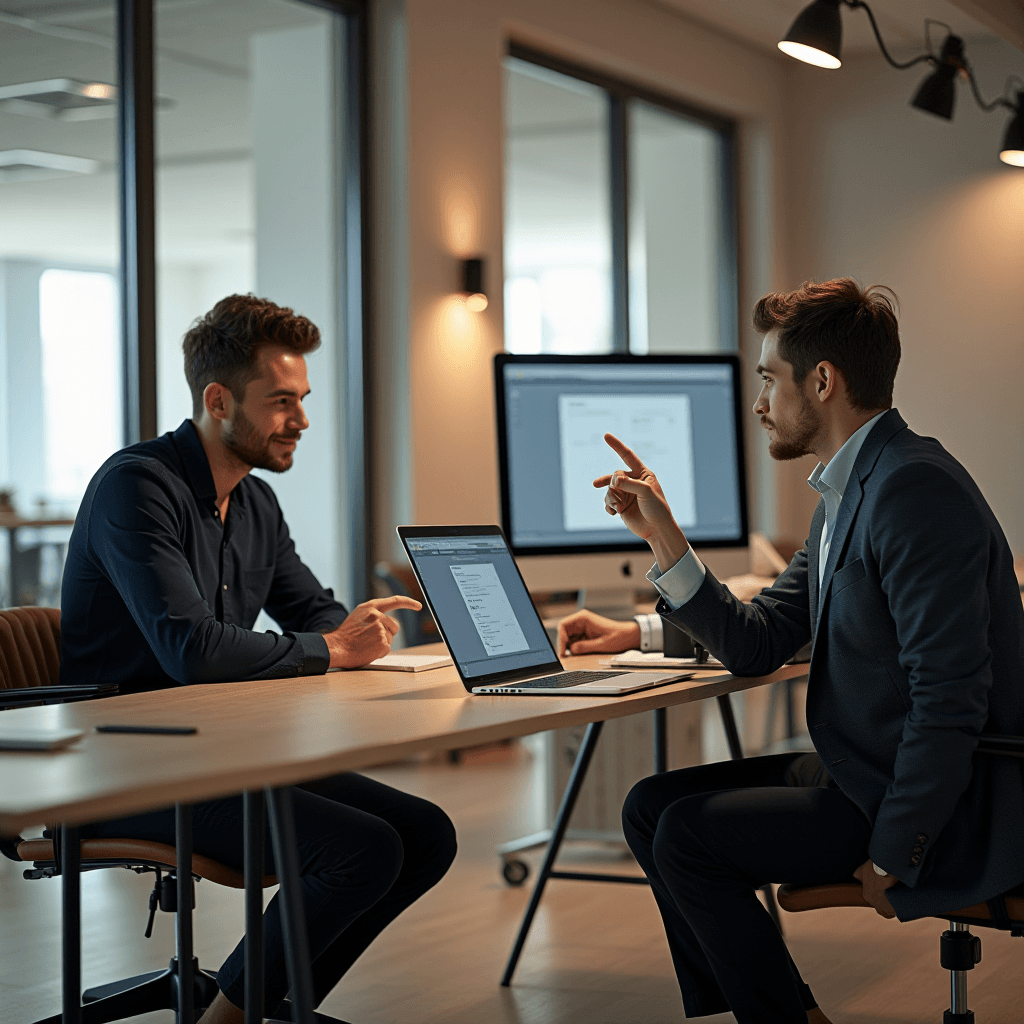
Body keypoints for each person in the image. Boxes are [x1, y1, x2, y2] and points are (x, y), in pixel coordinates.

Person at [555, 278, 1024, 1023]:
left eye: (769, 378)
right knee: (649, 807)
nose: (759, 401)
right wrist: (665, 538)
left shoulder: (911, 491)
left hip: (941, 799)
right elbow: (759, 642)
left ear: (824, 381)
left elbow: (950, 696)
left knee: (686, 837)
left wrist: (898, 847)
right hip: (866, 766)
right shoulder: (853, 491)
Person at [60, 294, 457, 1023]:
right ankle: (234, 1017)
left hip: (223, 753)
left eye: (302, 400)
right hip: (125, 767)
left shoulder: (255, 503)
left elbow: (314, 611)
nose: (301, 420)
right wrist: (333, 649)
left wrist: (351, 632)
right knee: (361, 850)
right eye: (281, 402)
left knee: (426, 834)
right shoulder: (136, 488)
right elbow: (190, 649)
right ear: (217, 400)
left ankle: (258, 1003)